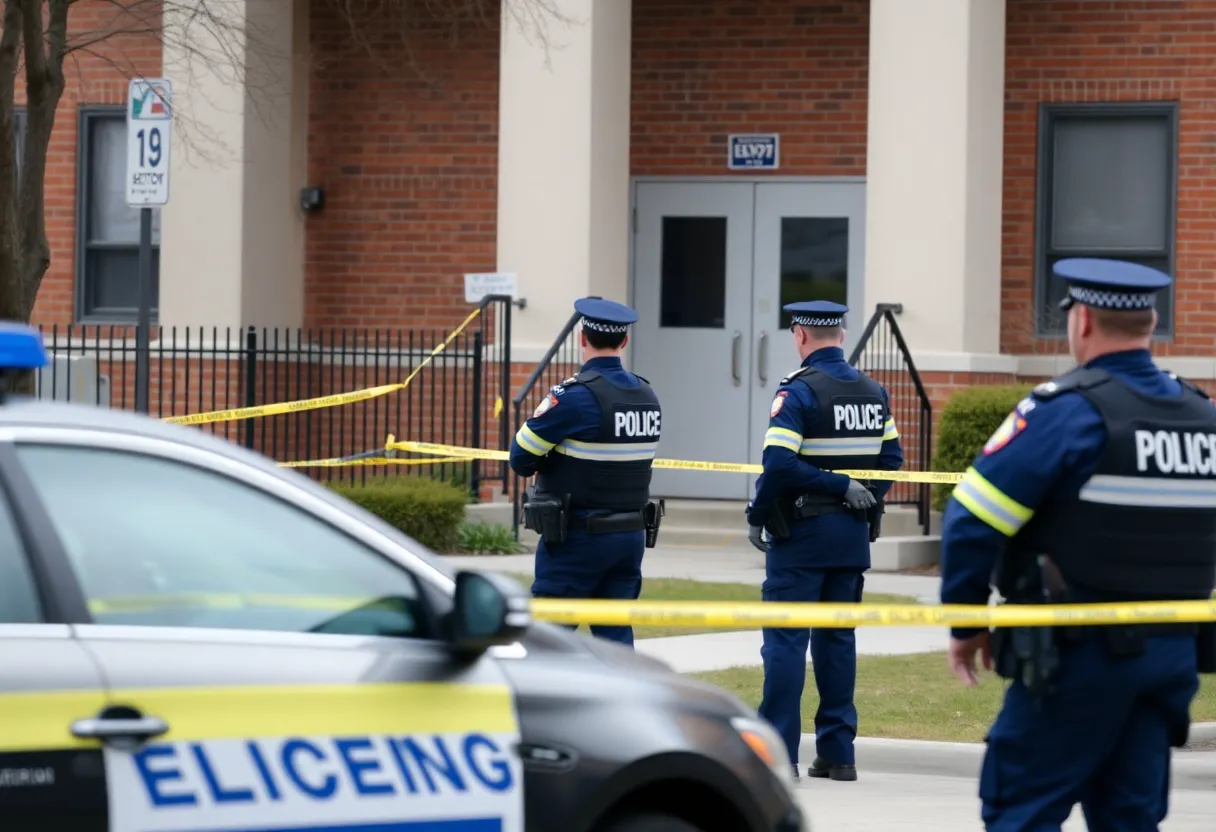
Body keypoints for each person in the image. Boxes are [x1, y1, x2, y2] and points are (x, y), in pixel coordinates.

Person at [939, 258, 1216, 831]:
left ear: (1082, 320)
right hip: (1169, 658)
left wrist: (966, 625)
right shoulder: (1203, 421)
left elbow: (971, 520)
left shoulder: (1067, 412)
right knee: (1130, 818)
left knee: (1021, 812)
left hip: (1074, 660)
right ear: (1153, 320)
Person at [746, 300, 904, 781]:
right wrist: (863, 496)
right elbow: (893, 458)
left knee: (786, 644)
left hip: (802, 537)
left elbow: (779, 465)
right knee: (837, 642)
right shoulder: (874, 392)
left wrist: (757, 514)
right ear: (840, 334)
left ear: (800, 335)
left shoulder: (797, 392)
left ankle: (778, 755)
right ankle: (838, 753)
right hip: (852, 537)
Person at [508, 297, 663, 649]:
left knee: (548, 642)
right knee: (615, 642)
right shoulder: (647, 395)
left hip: (578, 537)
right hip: (630, 536)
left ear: (582, 338)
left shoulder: (574, 397)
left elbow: (520, 458)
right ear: (624, 341)